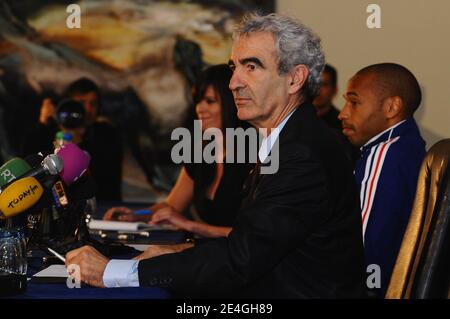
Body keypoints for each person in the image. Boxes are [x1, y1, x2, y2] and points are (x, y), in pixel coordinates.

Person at [65, 13, 365, 298]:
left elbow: (240, 260)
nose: (234, 82)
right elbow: (251, 244)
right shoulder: (290, 139)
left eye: (252, 66)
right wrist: (176, 251)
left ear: (294, 79)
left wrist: (112, 271)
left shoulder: (303, 153)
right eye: (234, 67)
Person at [104, 64, 252, 239]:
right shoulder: (201, 153)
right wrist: (137, 215)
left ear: (233, 103)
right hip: (212, 253)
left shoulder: (255, 156)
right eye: (198, 100)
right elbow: (171, 206)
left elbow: (252, 237)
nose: (200, 108)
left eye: (210, 101)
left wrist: (190, 226)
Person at [339, 63, 426, 297]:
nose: (343, 113)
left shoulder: (385, 152)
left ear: (391, 107)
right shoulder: (409, 146)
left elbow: (365, 245)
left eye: (354, 102)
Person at [21, 78, 123, 201]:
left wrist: (78, 142)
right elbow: (27, 164)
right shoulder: (49, 131)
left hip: (99, 205)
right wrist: (43, 123)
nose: (88, 109)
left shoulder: (106, 133)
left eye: (93, 104)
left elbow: (104, 175)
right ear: (68, 104)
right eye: (82, 102)